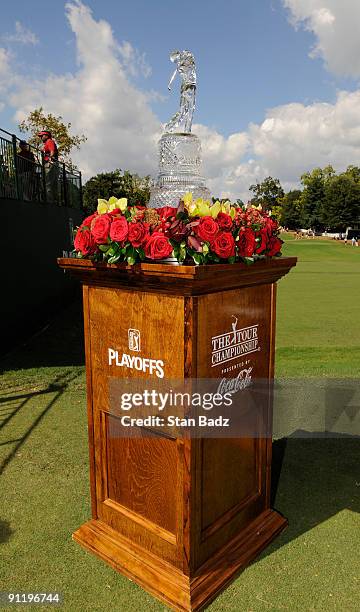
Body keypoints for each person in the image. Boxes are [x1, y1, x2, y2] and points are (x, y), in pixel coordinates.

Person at [38, 130, 59, 203]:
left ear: (46, 136)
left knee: (47, 183)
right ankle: (55, 201)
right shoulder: (48, 142)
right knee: (53, 184)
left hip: (50, 164)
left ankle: (49, 202)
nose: (41, 138)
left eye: (42, 136)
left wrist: (50, 158)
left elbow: (52, 151)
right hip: (53, 164)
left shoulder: (49, 141)